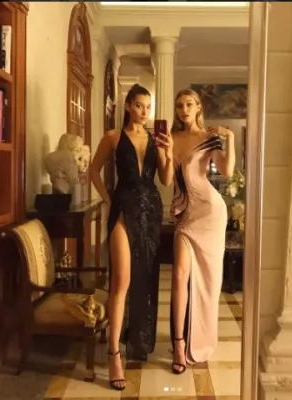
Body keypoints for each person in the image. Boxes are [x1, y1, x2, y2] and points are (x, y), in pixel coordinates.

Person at [89, 83, 174, 390]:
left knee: (145, 278)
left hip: (150, 210)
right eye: (139, 105)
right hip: (123, 209)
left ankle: (138, 339)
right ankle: (114, 354)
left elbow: (165, 180)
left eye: (148, 107)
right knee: (122, 281)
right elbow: (93, 171)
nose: (144, 112)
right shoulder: (113, 137)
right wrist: (107, 199)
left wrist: (169, 152)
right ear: (127, 106)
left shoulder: (155, 139)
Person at [168, 88, 235, 374]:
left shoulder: (208, 137)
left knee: (209, 279)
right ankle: (179, 344)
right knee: (179, 275)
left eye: (189, 104)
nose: (183, 110)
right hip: (186, 215)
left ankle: (201, 337)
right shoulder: (170, 137)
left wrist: (230, 138)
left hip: (211, 212)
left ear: (198, 108)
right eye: (179, 105)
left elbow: (227, 171)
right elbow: (167, 177)